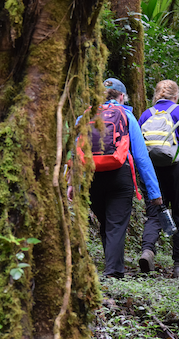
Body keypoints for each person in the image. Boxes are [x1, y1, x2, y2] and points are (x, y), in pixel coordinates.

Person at [69, 78, 163, 279]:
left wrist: (72, 183)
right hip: (120, 175)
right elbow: (141, 157)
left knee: (106, 222)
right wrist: (154, 192)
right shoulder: (126, 116)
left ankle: (112, 267)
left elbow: (74, 154)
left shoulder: (83, 117)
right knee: (116, 224)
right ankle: (113, 272)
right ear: (122, 96)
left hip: (91, 176)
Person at [137, 80, 179, 278]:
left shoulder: (146, 114)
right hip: (178, 168)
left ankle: (147, 251)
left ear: (157, 95)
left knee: (154, 214)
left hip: (152, 170)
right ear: (176, 96)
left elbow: (139, 147)